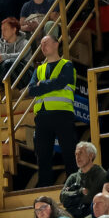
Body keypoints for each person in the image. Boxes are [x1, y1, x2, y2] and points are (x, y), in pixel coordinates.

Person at [28, 34, 76, 187]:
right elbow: (31, 90)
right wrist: (49, 85)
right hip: (42, 117)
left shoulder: (67, 65)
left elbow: (61, 83)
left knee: (69, 152)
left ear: (56, 44)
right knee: (43, 155)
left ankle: (73, 185)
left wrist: (41, 85)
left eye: (46, 43)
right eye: (41, 44)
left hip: (62, 114)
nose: (42, 46)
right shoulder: (39, 69)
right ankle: (45, 187)